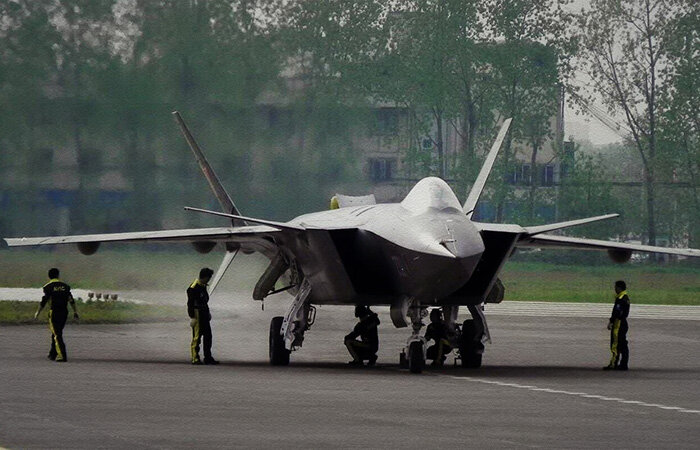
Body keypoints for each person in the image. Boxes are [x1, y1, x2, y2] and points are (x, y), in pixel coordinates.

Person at [34, 268, 79, 362]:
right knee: (56, 332)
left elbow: (44, 301)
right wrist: (75, 312)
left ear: (49, 276)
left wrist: (37, 313)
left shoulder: (48, 287)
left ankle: (62, 355)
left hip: (54, 312)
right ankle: (52, 353)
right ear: (58, 275)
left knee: (57, 334)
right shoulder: (65, 286)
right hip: (64, 312)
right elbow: (71, 300)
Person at [187, 267, 219, 365]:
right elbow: (190, 303)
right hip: (197, 314)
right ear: (205, 277)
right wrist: (192, 316)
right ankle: (195, 358)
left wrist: (208, 313)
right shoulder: (194, 287)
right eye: (209, 278)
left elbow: (204, 302)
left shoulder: (202, 286)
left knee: (208, 336)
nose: (209, 280)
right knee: (197, 337)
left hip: (204, 313)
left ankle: (208, 357)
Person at [604, 280, 630, 371]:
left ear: (619, 288)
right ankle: (624, 364)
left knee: (615, 344)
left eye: (616, 287)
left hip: (618, 323)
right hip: (623, 323)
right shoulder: (625, 297)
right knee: (623, 344)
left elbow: (617, 312)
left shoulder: (621, 298)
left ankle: (613, 364)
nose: (615, 289)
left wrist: (611, 321)